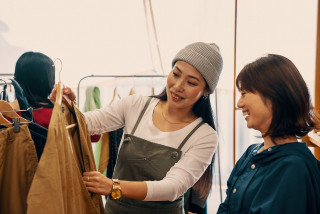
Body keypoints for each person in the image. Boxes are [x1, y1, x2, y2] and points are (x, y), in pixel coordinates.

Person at [51, 42, 223, 214]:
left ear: (206, 91)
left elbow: (173, 188)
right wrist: (68, 107)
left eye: (191, 83)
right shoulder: (136, 105)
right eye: (176, 74)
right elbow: (86, 125)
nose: (178, 86)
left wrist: (113, 186)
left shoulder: (204, 136)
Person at [217, 54, 320, 214]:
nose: (239, 103)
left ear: (274, 96)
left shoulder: (294, 168)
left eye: (244, 93)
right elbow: (227, 207)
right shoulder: (251, 153)